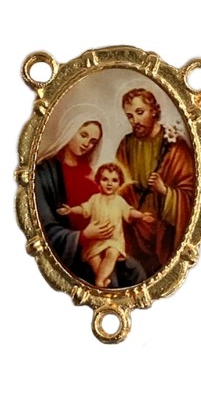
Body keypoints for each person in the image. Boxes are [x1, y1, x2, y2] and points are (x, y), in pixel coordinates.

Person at [35, 104, 146, 288]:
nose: (87, 143)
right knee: (111, 281)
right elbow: (45, 228)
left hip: (103, 244)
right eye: (83, 135)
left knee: (136, 271)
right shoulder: (45, 173)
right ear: (70, 130)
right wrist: (83, 235)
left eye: (93, 141)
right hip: (74, 252)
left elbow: (106, 206)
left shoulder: (92, 175)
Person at [115, 88, 195, 277]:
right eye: (130, 116)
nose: (135, 120)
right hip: (132, 227)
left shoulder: (176, 147)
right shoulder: (126, 145)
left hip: (163, 229)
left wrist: (165, 191)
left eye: (140, 112)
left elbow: (190, 194)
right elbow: (118, 186)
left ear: (154, 110)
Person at [57, 163, 154, 287]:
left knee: (111, 253)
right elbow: (83, 209)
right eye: (105, 179)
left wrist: (141, 215)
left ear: (120, 183)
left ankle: (99, 281)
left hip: (114, 241)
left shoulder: (119, 201)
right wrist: (71, 210)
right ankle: (104, 280)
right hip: (96, 241)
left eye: (114, 180)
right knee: (93, 258)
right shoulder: (95, 199)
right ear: (98, 181)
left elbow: (129, 211)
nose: (109, 184)